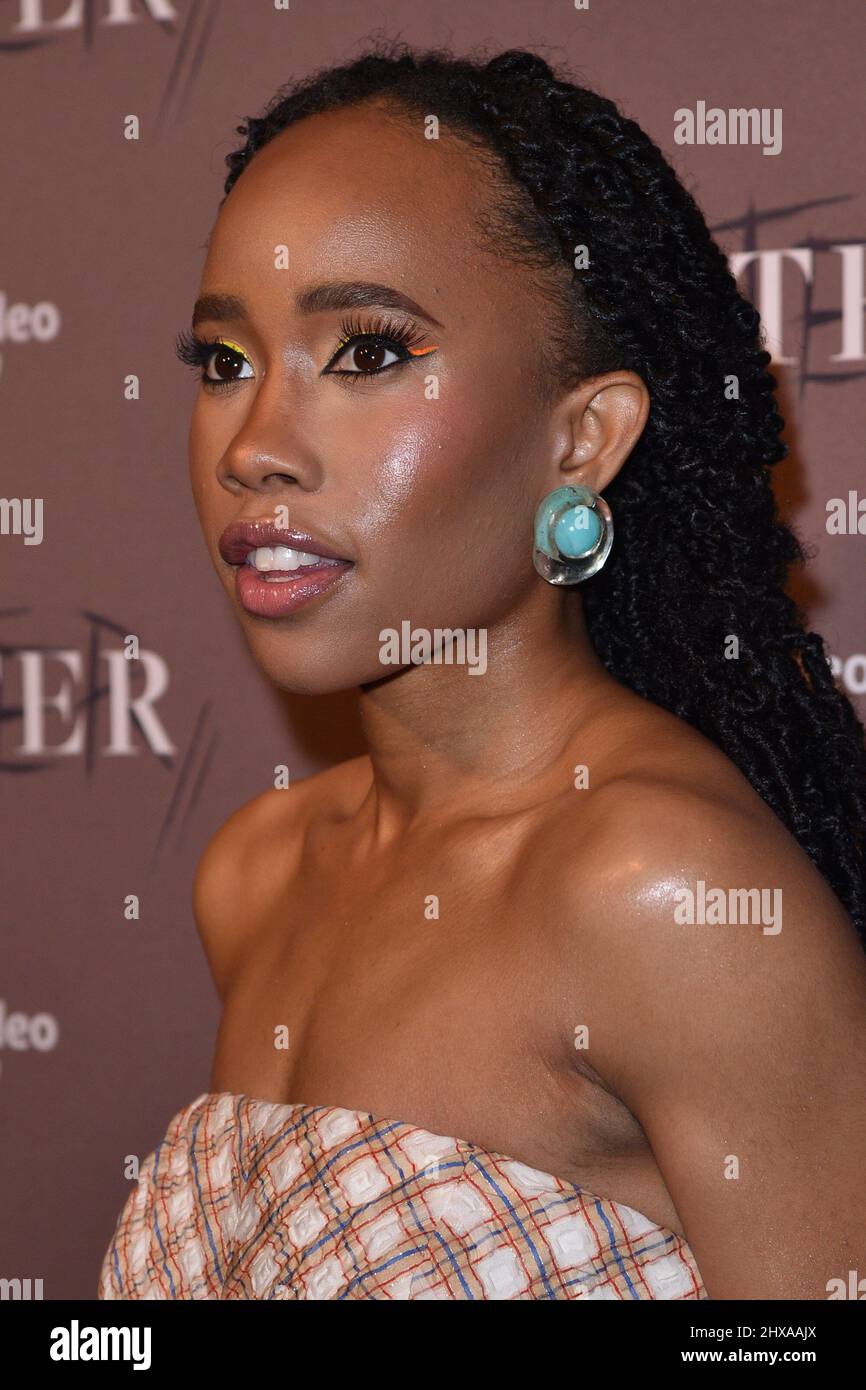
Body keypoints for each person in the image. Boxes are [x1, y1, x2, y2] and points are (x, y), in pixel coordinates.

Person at [99, 40, 866, 1301]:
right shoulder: (255, 875)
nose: (254, 448)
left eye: (367, 352)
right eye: (225, 363)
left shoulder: (665, 893)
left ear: (582, 438)